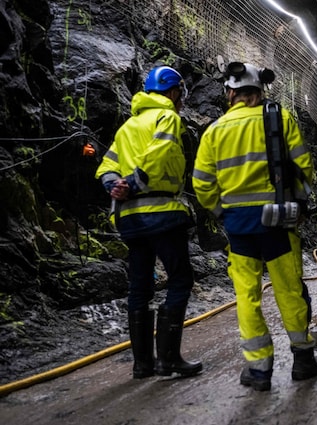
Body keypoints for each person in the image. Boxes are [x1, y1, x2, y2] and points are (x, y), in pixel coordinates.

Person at [192, 61, 317, 391]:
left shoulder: (215, 131)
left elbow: (202, 184)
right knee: (290, 291)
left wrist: (222, 213)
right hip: (278, 222)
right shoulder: (280, 119)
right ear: (259, 91)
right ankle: (303, 361)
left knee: (246, 296)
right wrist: (300, 205)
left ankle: (259, 370)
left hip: (239, 228)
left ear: (230, 93)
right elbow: (303, 166)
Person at [95, 65, 202, 379]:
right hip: (162, 214)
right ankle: (169, 359)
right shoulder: (167, 117)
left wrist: (115, 184)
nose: (181, 101)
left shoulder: (127, 127)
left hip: (130, 219)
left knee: (139, 288)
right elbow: (161, 151)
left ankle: (143, 364)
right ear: (172, 92)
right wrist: (136, 181)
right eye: (180, 94)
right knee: (180, 280)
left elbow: (106, 166)